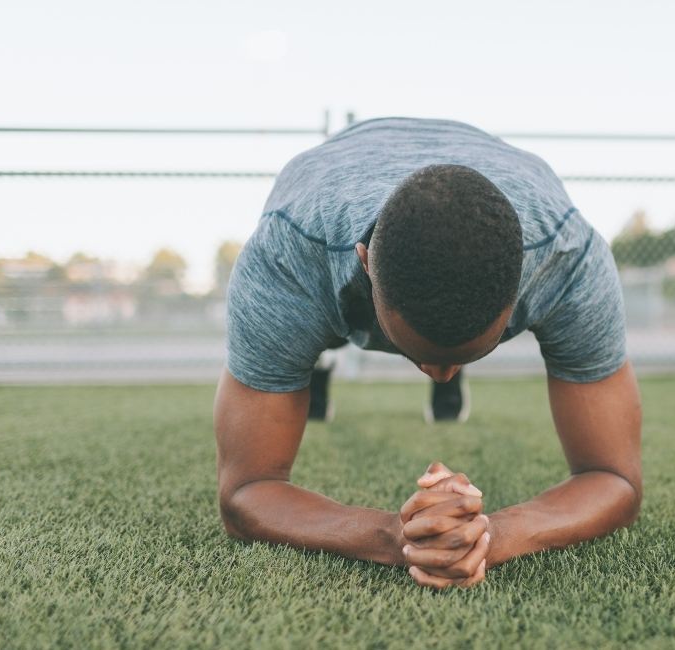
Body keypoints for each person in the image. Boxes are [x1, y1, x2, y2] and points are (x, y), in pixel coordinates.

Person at [213, 117, 642, 590]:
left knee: (438, 345)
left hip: (512, 184)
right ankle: (313, 359)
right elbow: (245, 492)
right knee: (303, 337)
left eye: (467, 355)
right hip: (324, 211)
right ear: (365, 265)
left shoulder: (567, 257)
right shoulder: (285, 257)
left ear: (524, 284)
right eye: (421, 355)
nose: (439, 376)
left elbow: (614, 478)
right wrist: (394, 536)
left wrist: (492, 535)